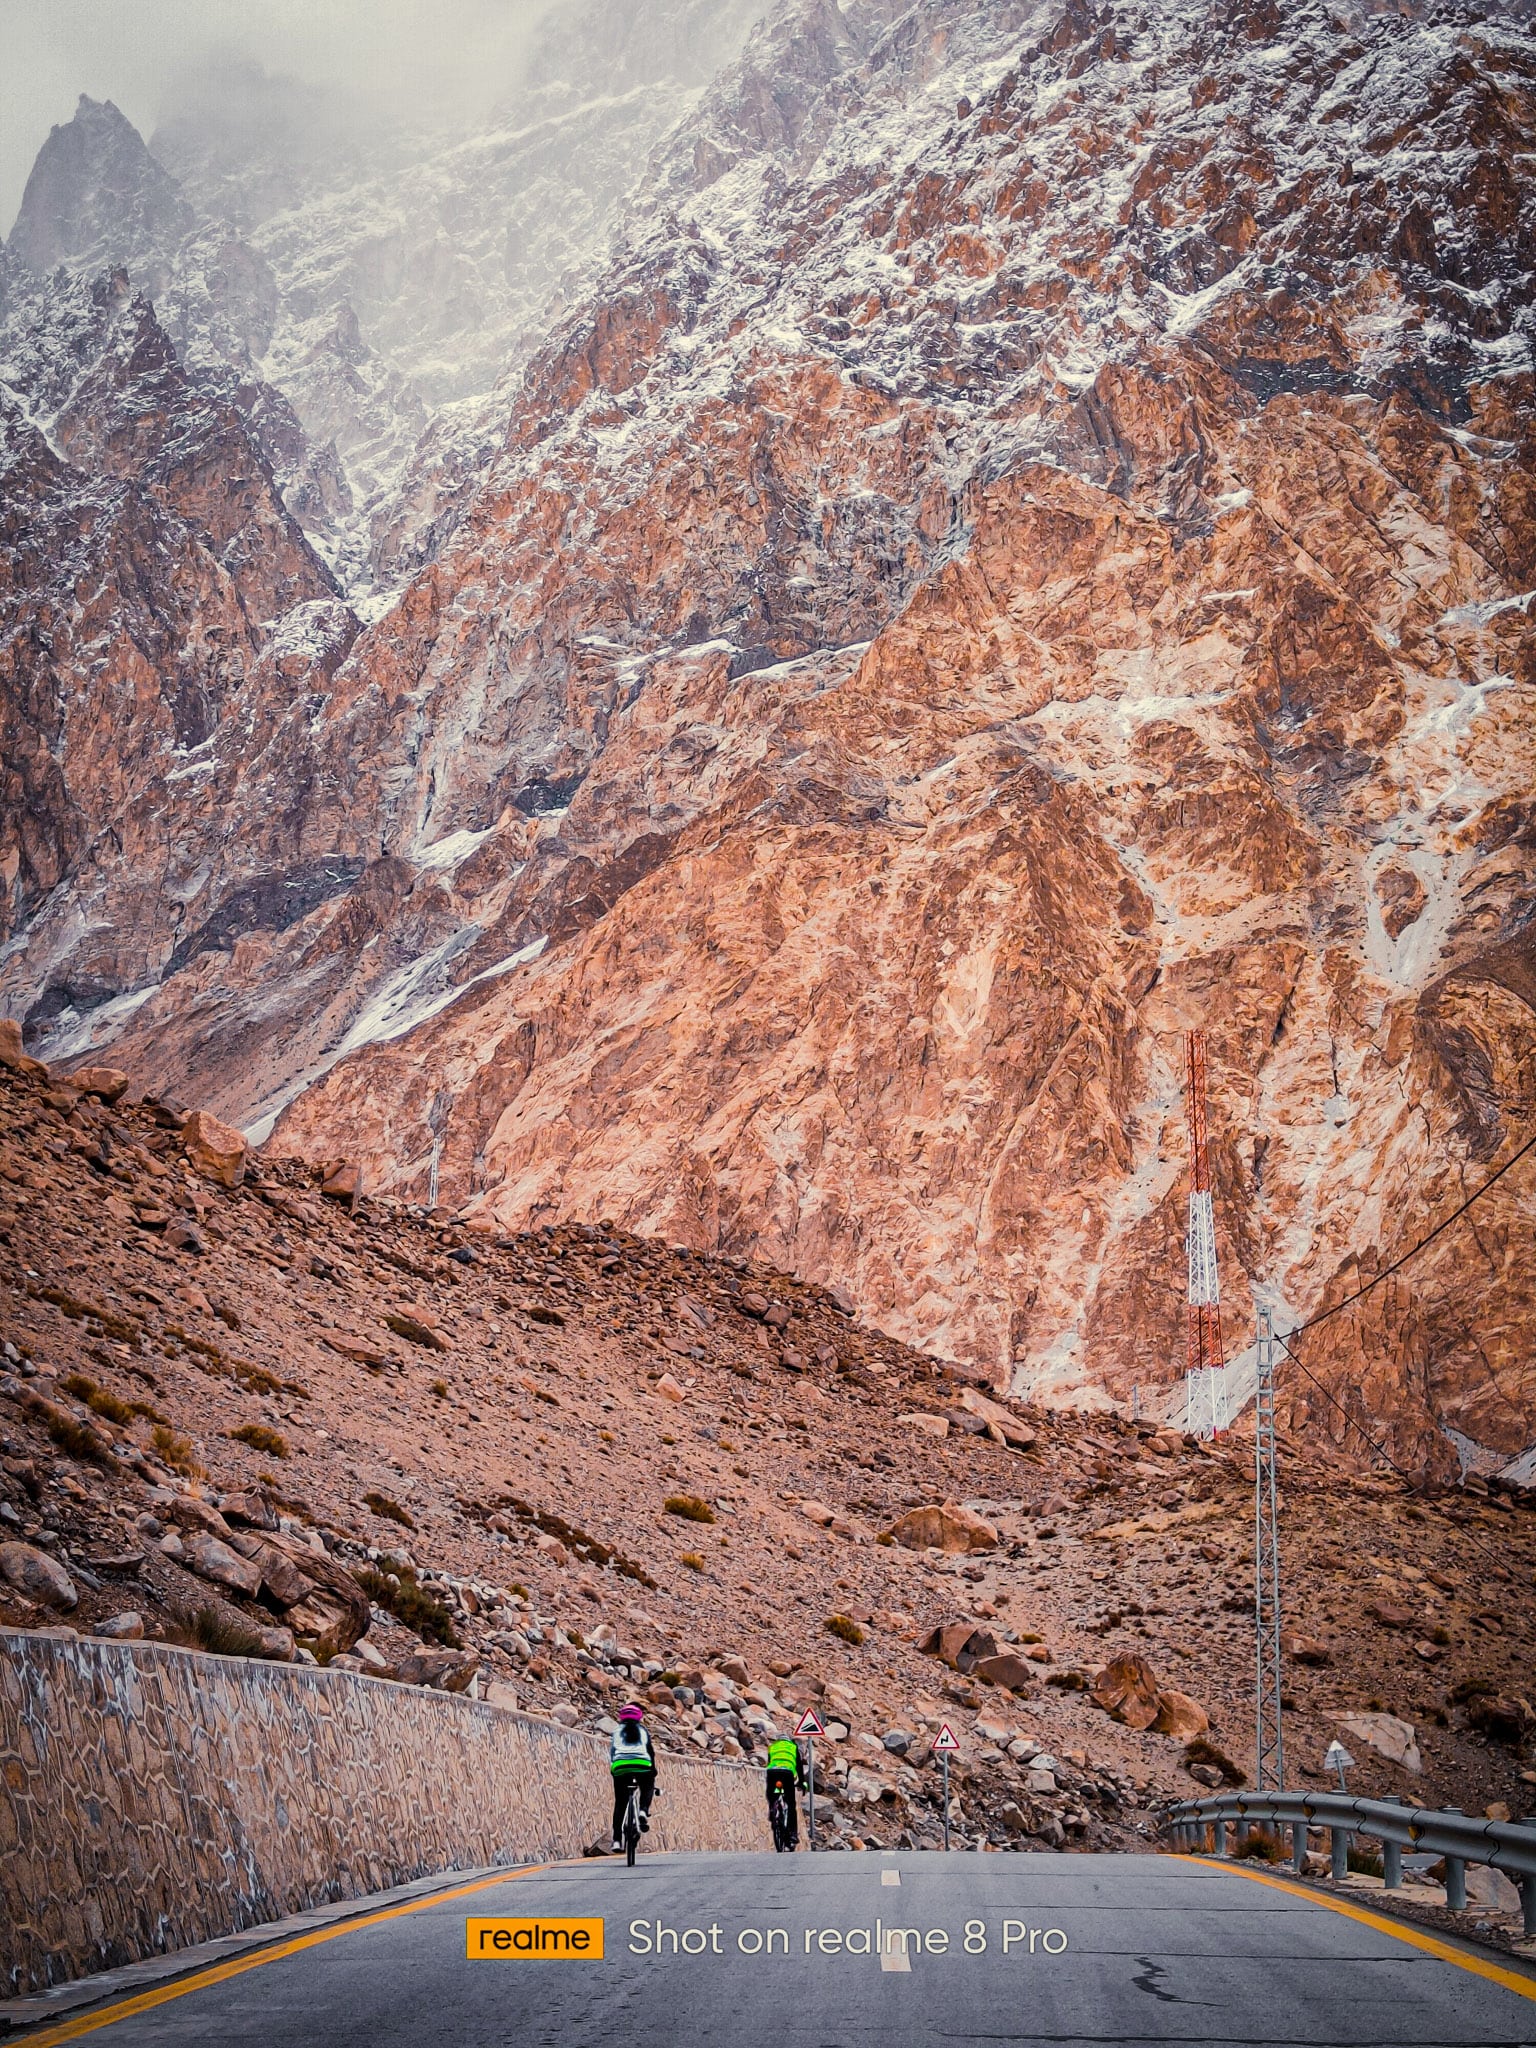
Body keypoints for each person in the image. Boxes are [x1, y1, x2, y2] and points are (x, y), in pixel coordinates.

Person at [609, 1703, 657, 1850]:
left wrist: (614, 1768)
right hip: (642, 1764)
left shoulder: (616, 1731)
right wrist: (653, 1769)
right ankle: (643, 1810)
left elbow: (613, 1752)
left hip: (620, 1767)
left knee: (620, 1803)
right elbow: (650, 1752)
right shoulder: (643, 1731)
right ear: (639, 1718)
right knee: (648, 1785)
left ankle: (617, 1840)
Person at [764, 1730, 805, 1848]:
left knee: (771, 1793)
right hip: (787, 1773)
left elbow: (770, 1762)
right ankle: (792, 1834)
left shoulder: (773, 1747)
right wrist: (802, 1783)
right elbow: (799, 1767)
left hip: (773, 1772)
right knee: (791, 1804)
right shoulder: (793, 1747)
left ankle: (773, 1808)